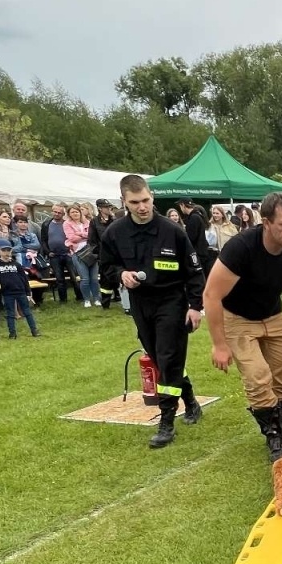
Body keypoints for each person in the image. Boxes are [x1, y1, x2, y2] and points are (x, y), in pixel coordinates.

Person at [202, 190, 282, 459]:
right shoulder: (241, 248)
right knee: (257, 375)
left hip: (273, 316)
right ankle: (274, 435)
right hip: (237, 317)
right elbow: (211, 295)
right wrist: (219, 344)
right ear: (265, 223)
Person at [101, 175, 206, 449]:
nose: (142, 207)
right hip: (140, 303)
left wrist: (195, 307)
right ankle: (191, 400)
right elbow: (106, 268)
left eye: (146, 200)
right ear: (124, 201)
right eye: (135, 202)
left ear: (152, 198)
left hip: (172, 301)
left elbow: (194, 272)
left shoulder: (172, 230)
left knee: (168, 357)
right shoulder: (115, 232)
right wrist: (121, 274)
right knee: (160, 360)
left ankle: (167, 421)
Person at [0, 243, 39, 338]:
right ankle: (12, 333)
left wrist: (28, 292)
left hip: (20, 292)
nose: (6, 253)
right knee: (10, 313)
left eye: (8, 250)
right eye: (4, 250)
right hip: (7, 293)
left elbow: (24, 279)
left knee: (27, 312)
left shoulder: (16, 264)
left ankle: (34, 331)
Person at [64, 205, 94, 304]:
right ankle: (86, 300)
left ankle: (97, 298)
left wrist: (79, 234)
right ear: (69, 214)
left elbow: (91, 236)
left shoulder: (87, 222)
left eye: (77, 211)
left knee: (94, 278)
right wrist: (84, 235)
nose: (75, 213)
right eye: (72, 212)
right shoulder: (67, 224)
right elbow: (71, 238)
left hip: (90, 251)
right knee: (84, 278)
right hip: (77, 253)